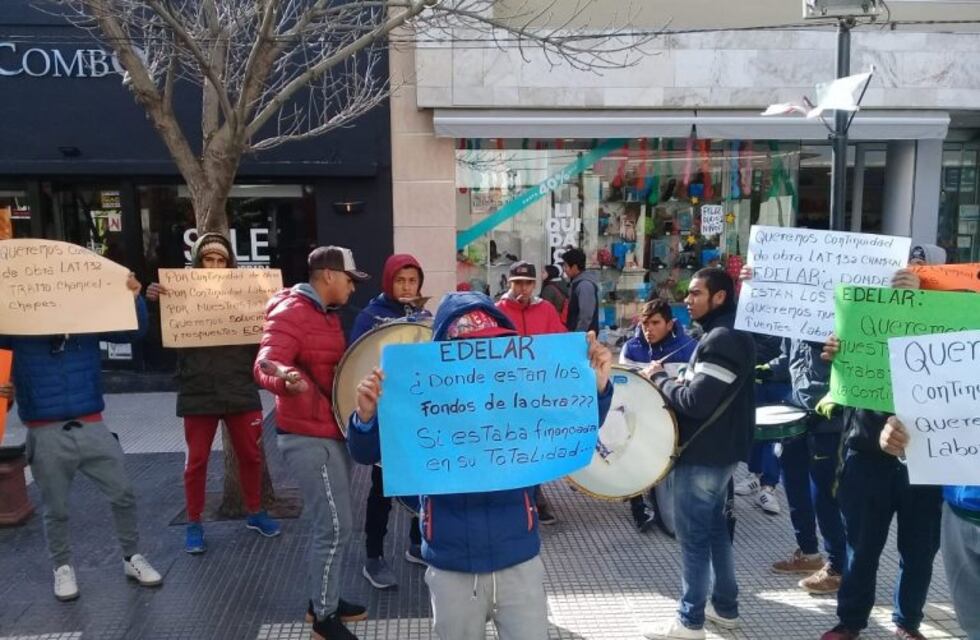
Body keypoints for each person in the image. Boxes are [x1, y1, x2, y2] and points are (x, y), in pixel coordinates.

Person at [347, 291, 614, 640]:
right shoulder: (418, 396)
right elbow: (366, 452)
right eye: (469, 351)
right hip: (451, 562)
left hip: (518, 557)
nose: (482, 366)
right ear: (443, 356)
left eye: (492, 348)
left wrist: (598, 388)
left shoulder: (521, 394)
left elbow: (570, 428)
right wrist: (365, 417)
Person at [0, 273, 162, 601]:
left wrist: (135, 298)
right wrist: (4, 392)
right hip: (44, 430)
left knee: (123, 493)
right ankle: (62, 568)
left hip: (91, 423)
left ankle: (131, 557)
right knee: (56, 507)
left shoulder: (86, 323)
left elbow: (133, 332)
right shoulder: (15, 329)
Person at [819, 259, 946, 640]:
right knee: (861, 547)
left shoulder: (947, 333)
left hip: (927, 458)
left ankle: (907, 623)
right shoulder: (863, 326)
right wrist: (834, 357)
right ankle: (851, 622)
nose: (909, 279)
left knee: (920, 550)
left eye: (920, 272)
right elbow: (841, 380)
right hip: (866, 454)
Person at [253, 246, 369, 640]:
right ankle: (323, 616)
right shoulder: (292, 311)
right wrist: (283, 377)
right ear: (329, 276)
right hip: (307, 437)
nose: (353, 288)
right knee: (335, 526)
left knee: (334, 524)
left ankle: (324, 599)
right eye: (350, 279)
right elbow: (265, 362)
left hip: (328, 430)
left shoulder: (323, 314)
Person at [146, 232, 280, 555]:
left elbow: (266, 334)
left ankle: (255, 512)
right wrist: (152, 305)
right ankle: (194, 522)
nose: (216, 266)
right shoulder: (179, 294)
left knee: (252, 455)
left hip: (239, 385)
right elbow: (156, 340)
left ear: (230, 264)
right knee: (197, 461)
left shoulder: (244, 295)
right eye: (209, 259)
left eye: (222, 260)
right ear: (198, 262)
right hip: (198, 389)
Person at [641, 268, 756, 640]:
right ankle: (725, 607)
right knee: (716, 529)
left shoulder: (721, 339)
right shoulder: (725, 333)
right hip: (719, 452)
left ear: (719, 297)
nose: (687, 300)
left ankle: (690, 622)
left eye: (695, 293)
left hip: (705, 454)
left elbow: (695, 401)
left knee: (693, 538)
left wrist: (659, 379)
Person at [740, 268, 849, 594]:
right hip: (796, 414)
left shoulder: (842, 325)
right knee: (796, 488)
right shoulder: (796, 320)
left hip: (827, 422)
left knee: (823, 496)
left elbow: (857, 366)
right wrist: (764, 370)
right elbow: (788, 360)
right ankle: (809, 552)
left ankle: (838, 566)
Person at [348, 254, 430, 590]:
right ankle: (373, 556)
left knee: (421, 484)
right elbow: (354, 360)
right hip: (385, 417)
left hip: (416, 415)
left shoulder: (423, 316)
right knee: (382, 490)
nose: (407, 287)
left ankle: (416, 545)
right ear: (388, 281)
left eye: (413, 281)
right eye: (401, 280)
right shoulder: (370, 317)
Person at [878, 419, 980, 639]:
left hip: (960, 508)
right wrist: (903, 443)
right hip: (958, 511)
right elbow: (940, 417)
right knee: (974, 624)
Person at [496, 261, 567, 525]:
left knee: (535, 442)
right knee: (513, 442)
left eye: (527, 283)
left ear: (535, 284)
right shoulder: (497, 310)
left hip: (539, 390)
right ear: (509, 283)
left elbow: (561, 339)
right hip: (508, 392)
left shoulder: (546, 309)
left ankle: (535, 495)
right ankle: (517, 496)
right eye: (517, 282)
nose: (522, 288)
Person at [618, 299, 697, 532]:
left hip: (677, 416)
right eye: (644, 324)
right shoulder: (631, 348)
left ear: (670, 323)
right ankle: (638, 506)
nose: (648, 329)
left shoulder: (689, 347)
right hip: (642, 415)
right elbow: (625, 386)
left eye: (655, 323)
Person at [560, 247, 601, 333]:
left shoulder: (584, 285)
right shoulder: (576, 282)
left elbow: (586, 316)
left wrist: (578, 336)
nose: (564, 269)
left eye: (566, 266)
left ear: (574, 267)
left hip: (584, 338)